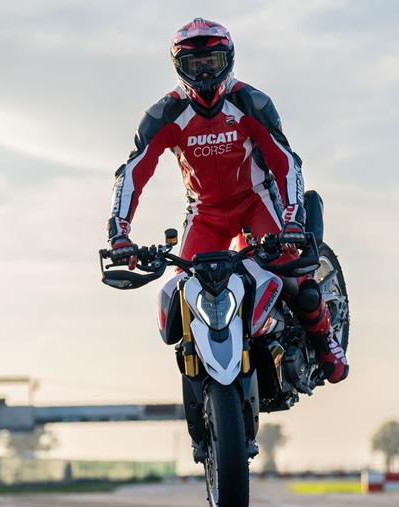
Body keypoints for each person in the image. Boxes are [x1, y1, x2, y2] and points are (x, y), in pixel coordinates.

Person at [106, 18, 348, 383]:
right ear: (178, 68)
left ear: (228, 61)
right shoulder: (163, 115)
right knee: (185, 287)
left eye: (212, 62)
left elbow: (286, 164)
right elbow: (132, 174)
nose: (204, 73)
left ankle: (326, 341)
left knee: (294, 275)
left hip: (256, 202)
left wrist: (293, 221)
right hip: (204, 214)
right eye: (194, 65)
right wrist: (119, 235)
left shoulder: (251, 102)